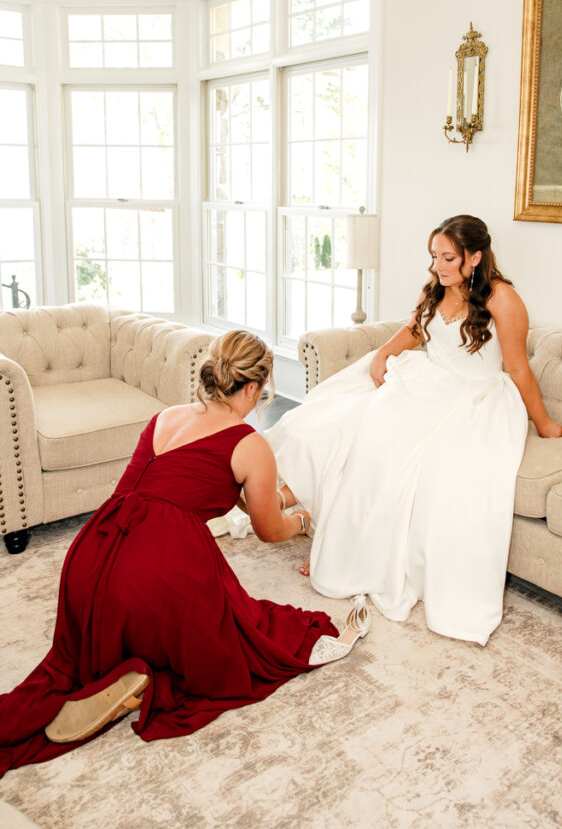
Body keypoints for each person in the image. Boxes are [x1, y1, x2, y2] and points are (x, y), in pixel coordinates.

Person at [0, 330, 369, 779]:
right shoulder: (250, 443)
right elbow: (269, 530)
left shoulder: (165, 417)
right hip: (157, 568)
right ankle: (140, 671)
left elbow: (196, 486)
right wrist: (303, 522)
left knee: (100, 635)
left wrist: (273, 498)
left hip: (89, 557)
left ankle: (113, 670)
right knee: (233, 647)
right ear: (253, 388)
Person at [266, 215, 562, 646]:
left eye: (448, 258)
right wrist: (383, 353)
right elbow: (414, 329)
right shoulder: (437, 287)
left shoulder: (503, 298)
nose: (438, 266)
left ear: (475, 257)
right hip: (427, 380)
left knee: (401, 452)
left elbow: (518, 368)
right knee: (352, 426)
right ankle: (330, 540)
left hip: (475, 396)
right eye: (434, 256)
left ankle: (338, 546)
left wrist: (544, 424)